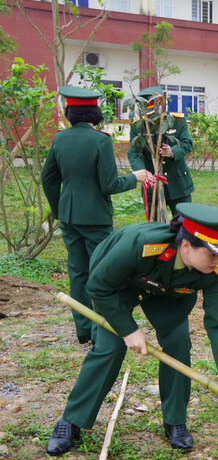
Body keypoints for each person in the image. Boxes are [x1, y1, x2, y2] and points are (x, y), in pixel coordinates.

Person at [46, 203, 218, 455]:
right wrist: (129, 330)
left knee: (178, 342)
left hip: (169, 295)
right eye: (212, 254)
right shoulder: (140, 244)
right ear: (186, 246)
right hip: (118, 287)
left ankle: (175, 420)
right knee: (109, 348)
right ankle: (72, 420)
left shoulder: (214, 269)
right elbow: (98, 285)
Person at [42, 85, 148, 346]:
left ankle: (83, 330)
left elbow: (48, 180)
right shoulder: (101, 140)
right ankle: (105, 325)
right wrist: (134, 177)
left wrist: (59, 210)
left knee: (77, 272)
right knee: (102, 271)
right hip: (96, 219)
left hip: (68, 216)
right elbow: (109, 185)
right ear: (95, 112)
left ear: (70, 112)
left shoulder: (60, 139)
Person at [128, 86, 195, 217]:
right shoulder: (138, 126)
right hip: (152, 183)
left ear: (162, 104)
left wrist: (172, 152)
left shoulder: (177, 121)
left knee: (184, 223)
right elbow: (134, 152)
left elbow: (187, 143)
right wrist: (143, 173)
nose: (152, 116)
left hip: (178, 182)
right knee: (156, 225)